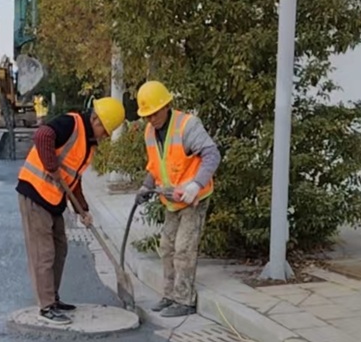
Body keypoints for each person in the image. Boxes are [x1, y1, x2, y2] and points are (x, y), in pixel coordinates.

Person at [17, 97, 126, 325]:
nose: (105, 136)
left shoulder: (89, 144)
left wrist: (83, 209)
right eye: (105, 131)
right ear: (95, 119)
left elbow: (73, 179)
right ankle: (46, 306)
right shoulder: (71, 123)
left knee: (60, 248)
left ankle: (53, 299)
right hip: (35, 191)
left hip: (54, 198)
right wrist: (52, 166)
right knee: (43, 253)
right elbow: (42, 136)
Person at [136, 81, 220, 318]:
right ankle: (170, 295)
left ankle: (184, 300)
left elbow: (212, 154)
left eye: (154, 113)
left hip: (194, 199)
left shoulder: (187, 125)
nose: (151, 119)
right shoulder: (150, 132)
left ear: (166, 106)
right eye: (147, 115)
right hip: (171, 200)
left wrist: (196, 185)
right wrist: (146, 186)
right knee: (167, 247)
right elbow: (156, 165)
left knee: (184, 248)